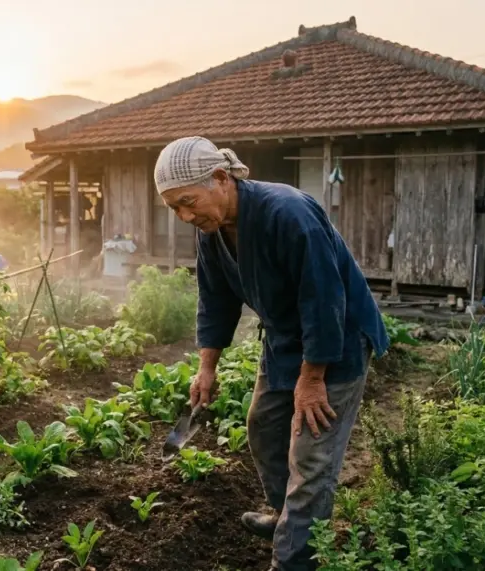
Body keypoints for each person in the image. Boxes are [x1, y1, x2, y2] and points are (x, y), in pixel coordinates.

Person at [153, 136, 389, 571]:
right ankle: (287, 518)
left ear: (221, 178)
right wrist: (207, 367)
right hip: (285, 339)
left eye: (188, 202)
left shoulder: (289, 213)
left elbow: (323, 298)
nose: (185, 216)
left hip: (334, 340)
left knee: (311, 456)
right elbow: (215, 300)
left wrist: (313, 378)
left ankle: (294, 558)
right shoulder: (213, 230)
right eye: (175, 209)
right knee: (263, 425)